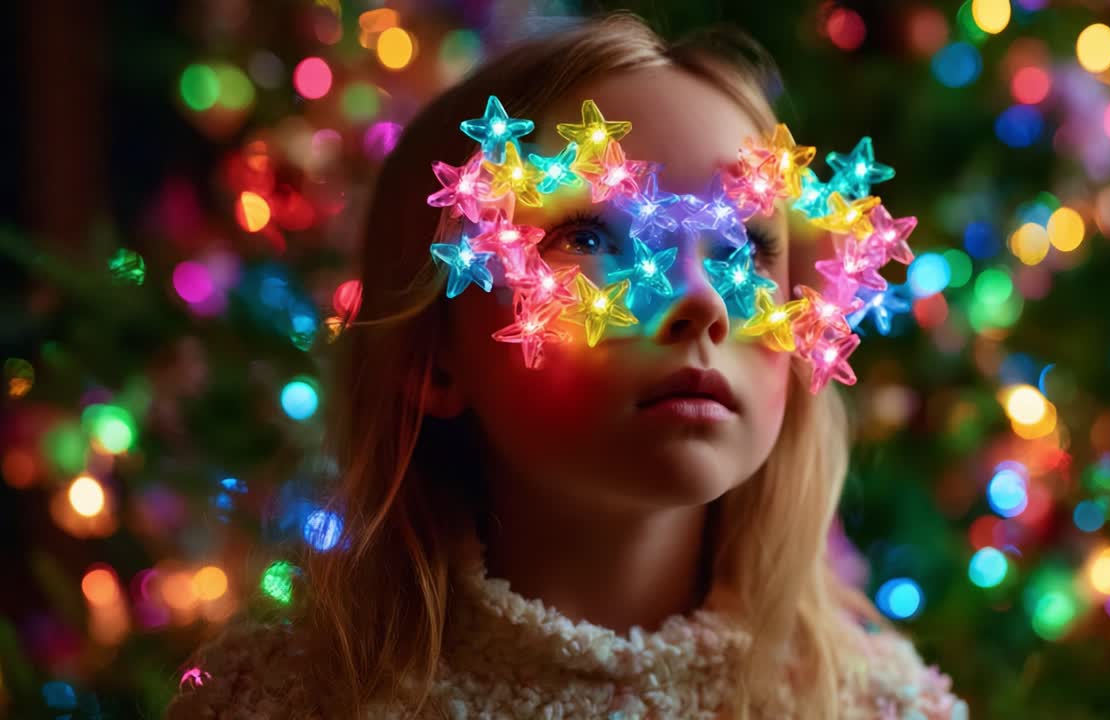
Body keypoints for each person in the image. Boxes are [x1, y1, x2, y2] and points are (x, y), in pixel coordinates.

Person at [167, 12, 966, 720]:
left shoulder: (878, 709)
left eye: (744, 250)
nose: (700, 303)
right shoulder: (281, 702)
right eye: (589, 238)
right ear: (435, 357)